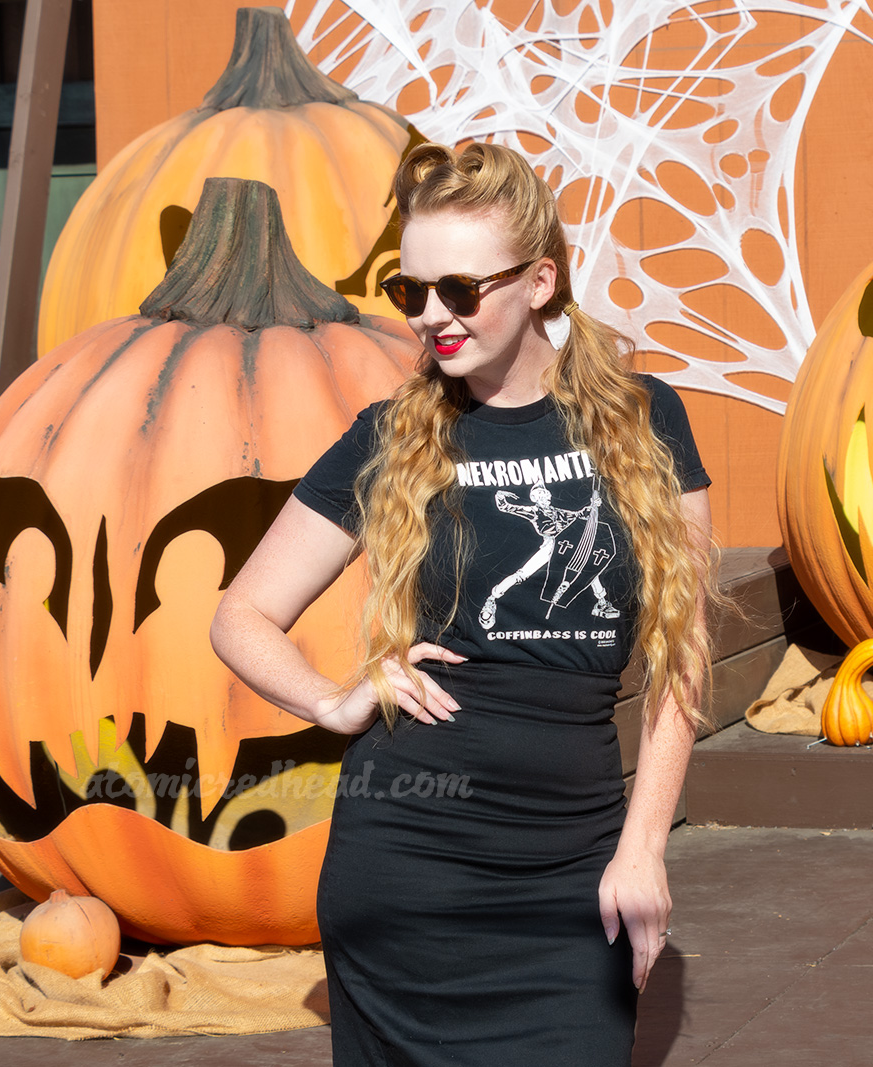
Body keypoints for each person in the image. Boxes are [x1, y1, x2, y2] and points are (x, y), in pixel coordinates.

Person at [210, 140, 714, 1066]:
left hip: (572, 865)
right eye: (412, 292)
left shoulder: (648, 420)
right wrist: (333, 701)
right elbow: (240, 614)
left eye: (460, 289)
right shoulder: (392, 436)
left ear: (539, 282)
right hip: (406, 867)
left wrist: (643, 847)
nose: (432, 316)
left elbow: (681, 655)